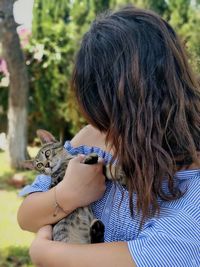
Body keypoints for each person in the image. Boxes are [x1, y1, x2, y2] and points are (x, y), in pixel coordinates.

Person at [17, 6, 200, 267]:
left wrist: (43, 250)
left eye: (110, 116)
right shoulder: (92, 137)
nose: (107, 132)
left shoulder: (191, 184)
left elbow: (145, 257)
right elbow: (27, 217)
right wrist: (68, 194)